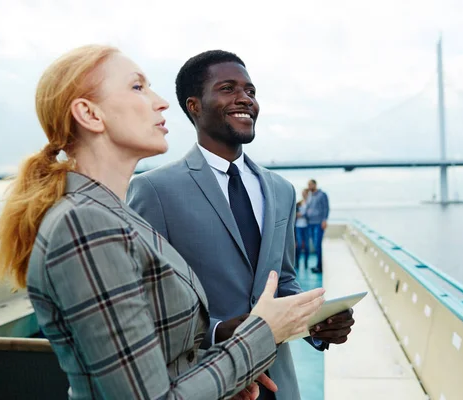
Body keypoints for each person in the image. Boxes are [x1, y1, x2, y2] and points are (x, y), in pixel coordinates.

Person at [0, 45, 325, 400]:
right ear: (89, 114)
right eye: (138, 87)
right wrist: (263, 334)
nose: (162, 102)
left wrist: (224, 375)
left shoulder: (116, 217)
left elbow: (158, 357)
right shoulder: (85, 226)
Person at [127, 50, 355, 400]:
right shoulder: (154, 190)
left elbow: (284, 278)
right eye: (228, 88)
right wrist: (217, 331)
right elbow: (142, 301)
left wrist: (316, 324)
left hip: (279, 383)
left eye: (251, 91)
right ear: (194, 106)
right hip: (205, 382)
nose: (245, 99)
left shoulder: (281, 190)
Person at [305, 179, 329, 273]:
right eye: (308, 185)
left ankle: (320, 266)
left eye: (310, 185)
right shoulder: (310, 196)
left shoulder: (322, 195)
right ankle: (317, 265)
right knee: (315, 245)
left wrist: (324, 220)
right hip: (310, 223)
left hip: (318, 223)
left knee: (317, 244)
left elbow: (326, 208)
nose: (309, 187)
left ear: (315, 185)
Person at [295, 189, 309, 269]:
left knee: (307, 246)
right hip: (298, 226)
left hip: (306, 227)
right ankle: (297, 263)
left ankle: (306, 263)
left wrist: (303, 215)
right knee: (299, 245)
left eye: (305, 193)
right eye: (303, 193)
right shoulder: (299, 203)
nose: (304, 195)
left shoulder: (310, 204)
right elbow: (294, 214)